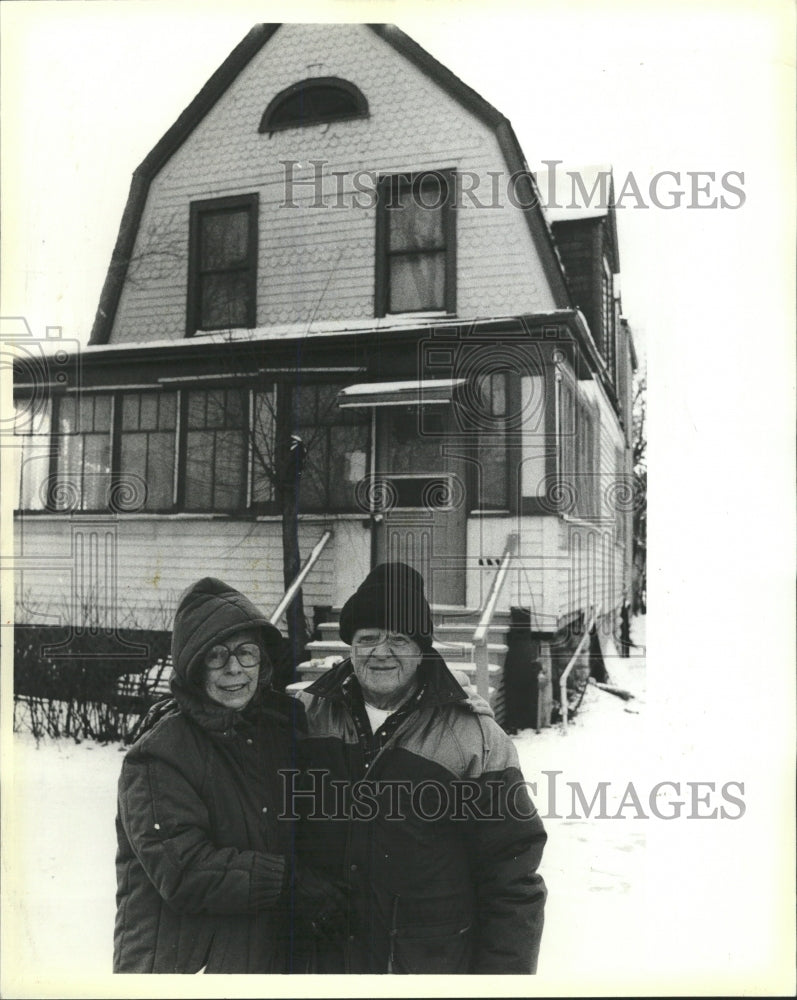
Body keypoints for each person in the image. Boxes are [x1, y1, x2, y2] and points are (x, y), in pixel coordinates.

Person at [292, 562, 547, 974]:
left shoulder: (474, 739)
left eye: (398, 639)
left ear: (422, 648)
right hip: (321, 963)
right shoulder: (304, 718)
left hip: (424, 967)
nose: (381, 652)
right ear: (350, 646)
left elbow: (512, 878)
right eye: (368, 638)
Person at [113, 577, 345, 973]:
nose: (234, 668)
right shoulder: (159, 755)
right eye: (216, 655)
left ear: (264, 661)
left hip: (258, 959)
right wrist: (287, 882)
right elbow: (183, 871)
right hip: (185, 968)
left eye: (246, 653)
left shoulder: (278, 733)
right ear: (193, 667)